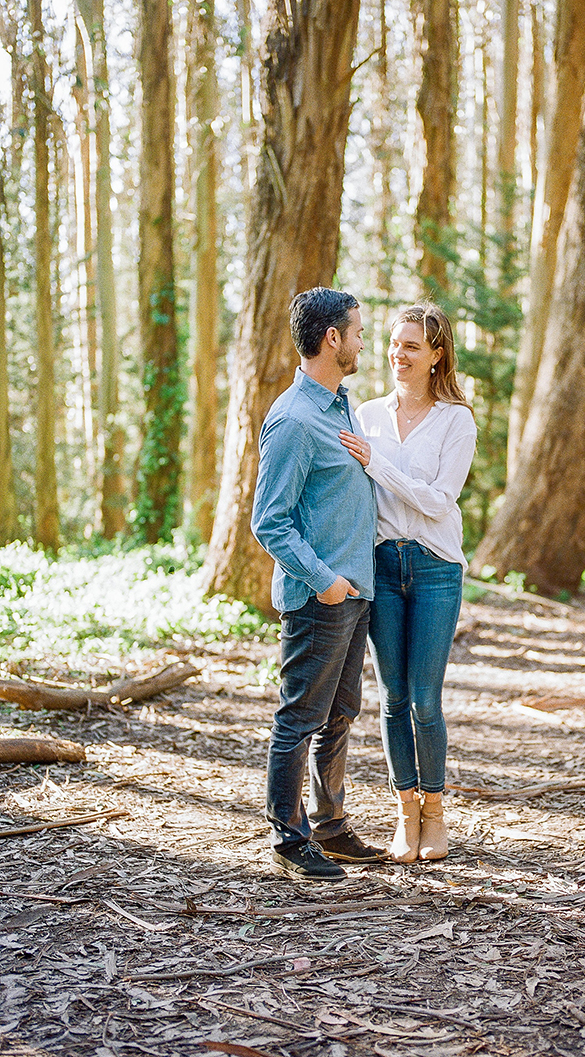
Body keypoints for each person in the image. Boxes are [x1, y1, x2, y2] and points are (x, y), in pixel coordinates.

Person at [251, 286, 386, 882]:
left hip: (355, 594)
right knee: (300, 717)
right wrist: (325, 580)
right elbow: (268, 520)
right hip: (320, 597)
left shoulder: (339, 407)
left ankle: (329, 825)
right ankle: (289, 834)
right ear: (332, 338)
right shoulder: (294, 420)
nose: (362, 341)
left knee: (341, 713)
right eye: (357, 331)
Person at [339, 302, 477, 863]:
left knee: (425, 699)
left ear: (437, 355)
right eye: (395, 344)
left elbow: (440, 501)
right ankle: (405, 812)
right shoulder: (363, 412)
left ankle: (436, 812)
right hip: (381, 567)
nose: (399, 354)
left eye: (413, 346)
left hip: (435, 567)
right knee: (392, 697)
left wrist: (379, 464)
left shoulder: (455, 420)